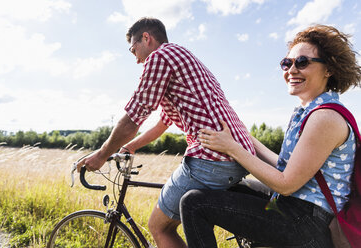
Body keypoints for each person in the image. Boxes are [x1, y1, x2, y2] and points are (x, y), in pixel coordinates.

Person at [76, 17, 256, 248]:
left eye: (134, 50)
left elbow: (133, 118)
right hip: (239, 155)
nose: (136, 59)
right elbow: (163, 122)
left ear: (146, 38)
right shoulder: (183, 57)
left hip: (210, 158)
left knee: (159, 227)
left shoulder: (159, 58)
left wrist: (101, 155)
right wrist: (131, 146)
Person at [180, 24, 361, 248]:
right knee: (226, 185)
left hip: (308, 223)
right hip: (296, 208)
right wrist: (243, 137)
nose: (291, 70)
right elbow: (286, 166)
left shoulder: (325, 118)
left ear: (329, 70)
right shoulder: (309, 112)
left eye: (302, 62)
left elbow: (286, 184)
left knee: (194, 204)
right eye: (287, 63)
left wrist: (231, 148)